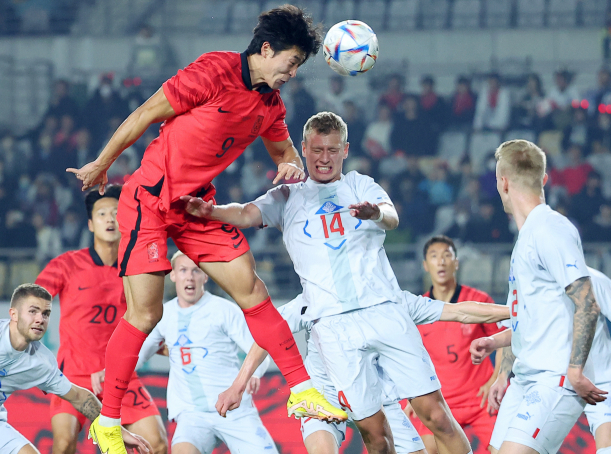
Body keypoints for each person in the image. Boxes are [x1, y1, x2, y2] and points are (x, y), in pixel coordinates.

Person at [68, 6, 347, 453]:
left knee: (253, 292)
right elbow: (145, 113)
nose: (292, 74)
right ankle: (108, 420)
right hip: (149, 202)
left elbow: (283, 151)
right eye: (290, 62)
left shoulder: (270, 104)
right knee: (146, 314)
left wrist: (291, 164)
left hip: (197, 207)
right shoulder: (214, 70)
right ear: (267, 48)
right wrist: (103, 163)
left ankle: (302, 390)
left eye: (298, 66)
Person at [182, 111, 476, 454]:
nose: (325, 158)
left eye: (333, 150)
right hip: (334, 328)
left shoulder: (359, 184)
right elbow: (246, 213)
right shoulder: (287, 196)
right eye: (318, 150)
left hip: (383, 310)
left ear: (346, 150)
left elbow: (392, 217)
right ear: (304, 149)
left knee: (436, 416)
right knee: (375, 436)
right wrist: (211, 211)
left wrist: (375, 213)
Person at [218, 290, 510, 454]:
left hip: (380, 402)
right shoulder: (313, 300)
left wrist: (515, 310)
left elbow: (460, 310)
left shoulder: (390, 301)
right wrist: (238, 385)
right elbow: (269, 333)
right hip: (325, 398)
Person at [468, 139, 606, 454]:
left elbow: (587, 301)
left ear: (502, 182)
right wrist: (501, 364)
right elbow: (527, 322)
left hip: (554, 377)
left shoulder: (549, 229)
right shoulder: (527, 236)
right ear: (543, 180)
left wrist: (574, 369)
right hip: (525, 377)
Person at [34, 185, 168, 454]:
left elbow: (149, 315)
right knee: (63, 444)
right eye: (102, 214)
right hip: (73, 375)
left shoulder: (136, 267)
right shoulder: (66, 264)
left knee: (157, 444)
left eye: (116, 213)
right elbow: (34, 301)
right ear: (91, 224)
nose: (109, 219)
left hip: (120, 375)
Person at [476, 267, 611, 454]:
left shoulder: (594, 280)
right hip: (540, 378)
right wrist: (502, 376)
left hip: (598, 379)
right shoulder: (525, 281)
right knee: (498, 449)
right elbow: (517, 330)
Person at [136, 251, 276, 454]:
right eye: (183, 270)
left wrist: (255, 373)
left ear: (206, 276)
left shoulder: (224, 310)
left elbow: (260, 348)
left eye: (196, 271)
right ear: (173, 275)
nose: (190, 277)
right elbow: (137, 356)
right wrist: (108, 371)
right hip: (192, 416)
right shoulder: (162, 316)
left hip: (235, 410)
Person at [0, 284, 151, 454]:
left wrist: (117, 430)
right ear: (13, 314)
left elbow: (79, 397)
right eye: (33, 311)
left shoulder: (42, 362)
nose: (40, 319)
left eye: (46, 314)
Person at [403, 236, 506, 454]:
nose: (441, 262)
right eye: (434, 256)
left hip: (479, 399)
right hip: (439, 401)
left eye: (447, 255)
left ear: (456, 263)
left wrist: (496, 378)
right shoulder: (418, 309)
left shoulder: (477, 302)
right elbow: (410, 357)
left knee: (505, 449)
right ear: (425, 265)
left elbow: (504, 340)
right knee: (423, 450)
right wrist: (413, 397)